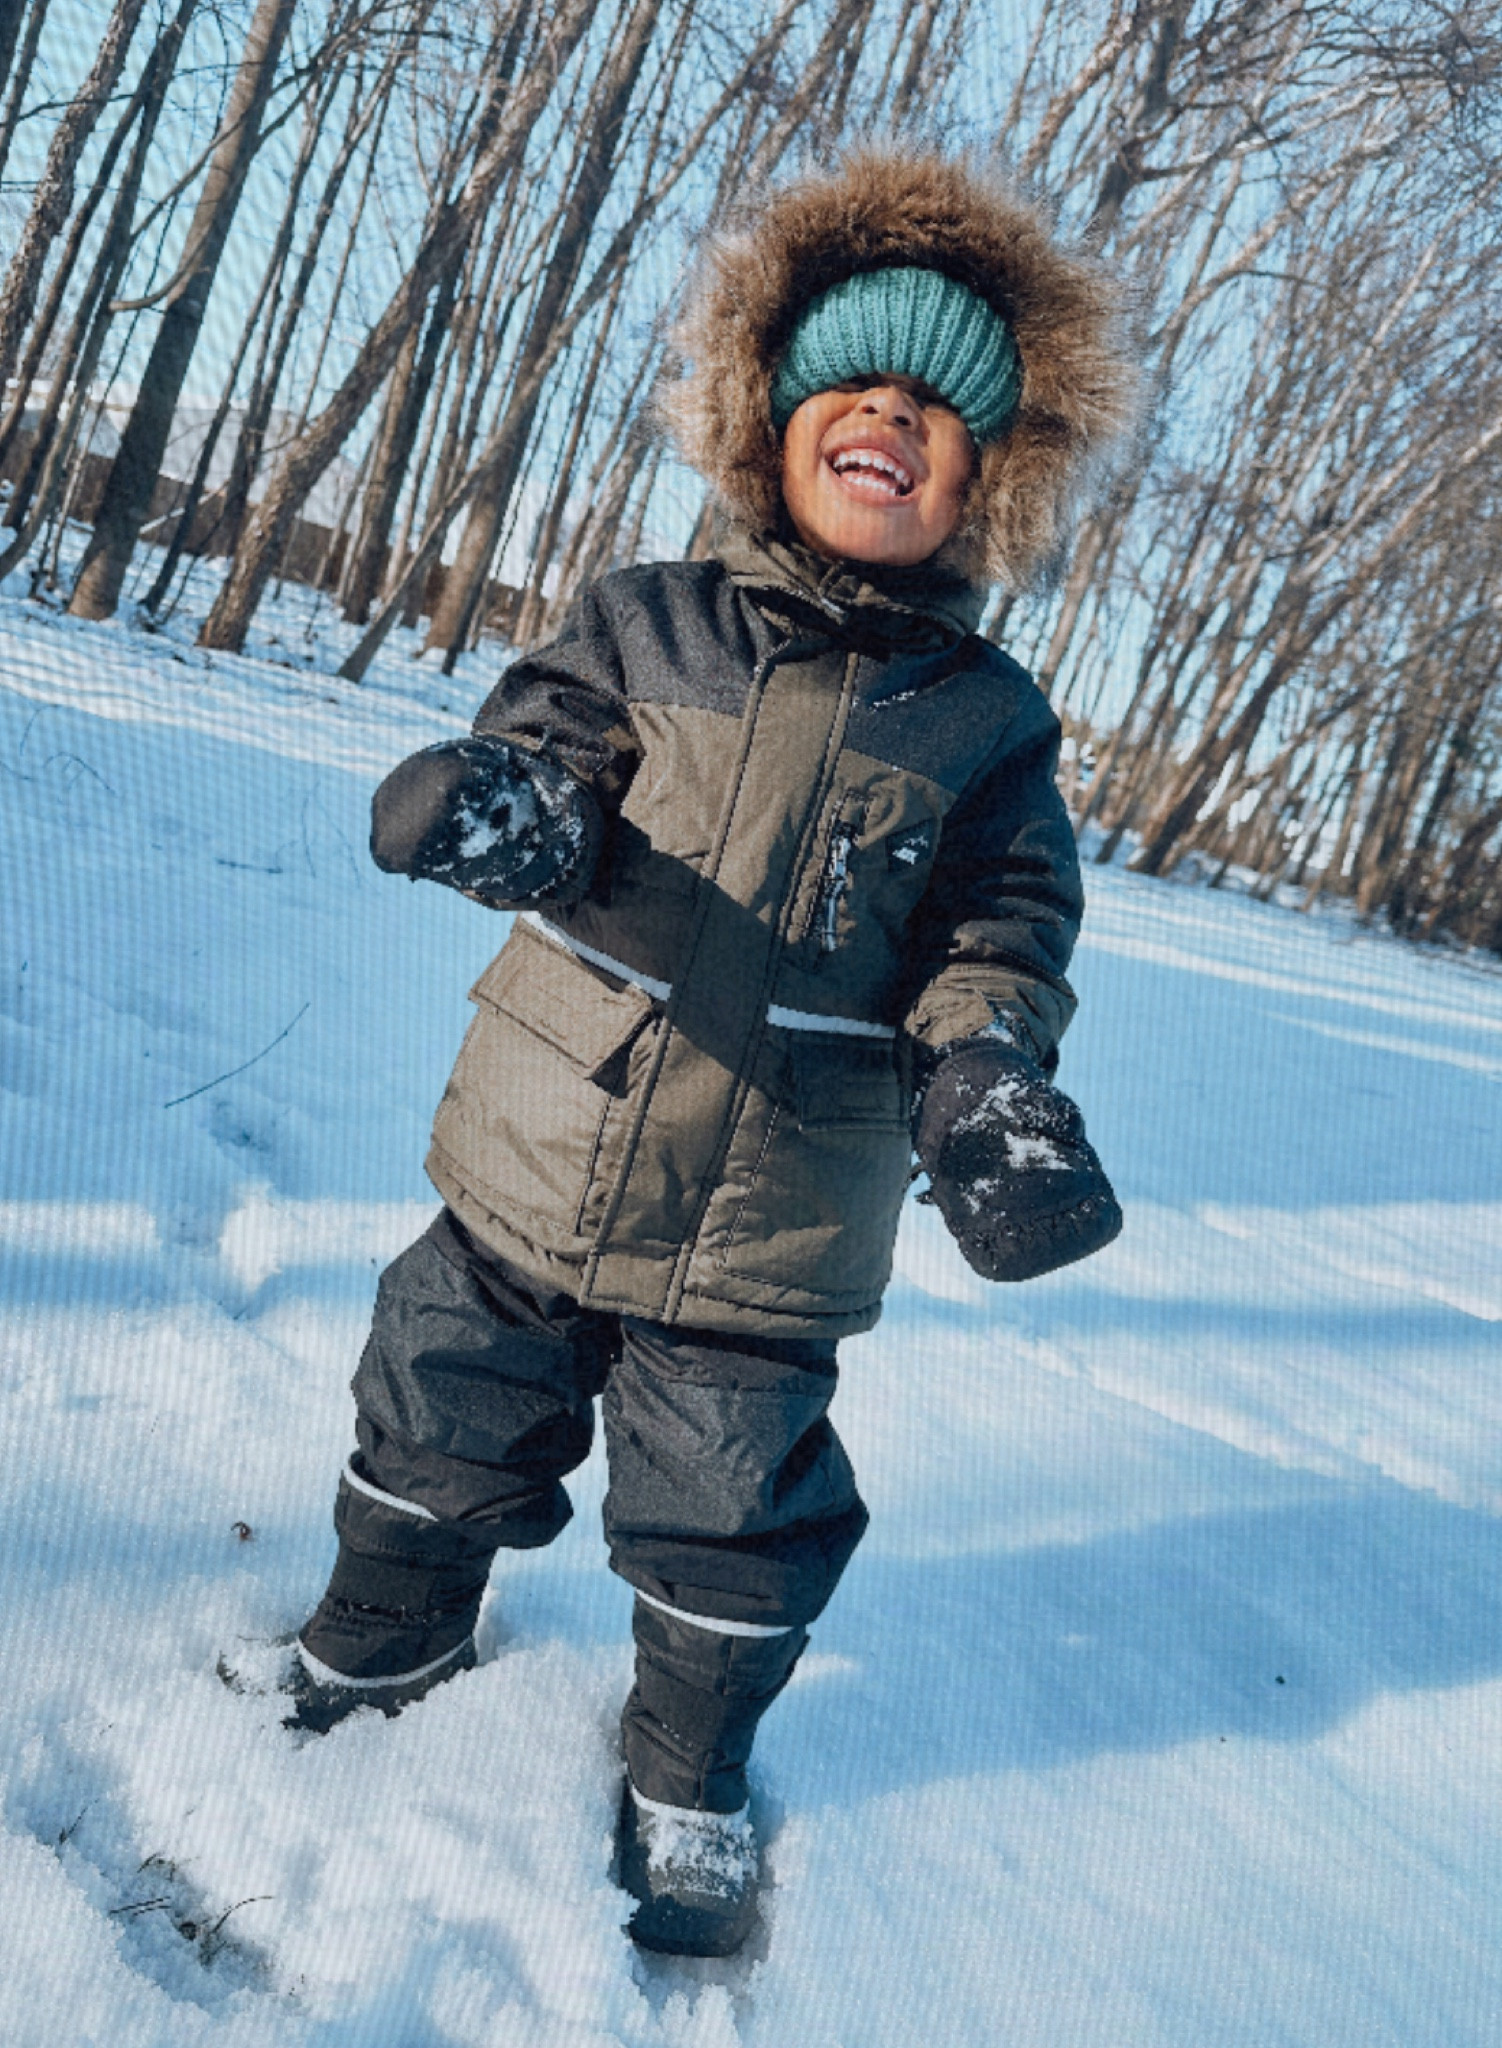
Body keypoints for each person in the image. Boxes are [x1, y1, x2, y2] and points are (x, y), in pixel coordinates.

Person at [276, 149, 1133, 1956]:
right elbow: (556, 763)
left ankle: (689, 1759)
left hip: (770, 1219)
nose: (888, 420)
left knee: (734, 1510)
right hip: (538, 1150)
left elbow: (999, 935)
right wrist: (503, 812)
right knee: (436, 1393)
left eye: (935, 412)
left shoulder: (987, 722)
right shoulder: (642, 617)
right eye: (854, 387)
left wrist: (984, 1073)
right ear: (774, 420)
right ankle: (381, 1630)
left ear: (985, 476)